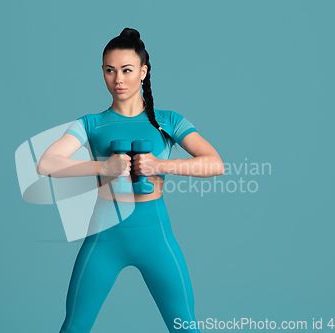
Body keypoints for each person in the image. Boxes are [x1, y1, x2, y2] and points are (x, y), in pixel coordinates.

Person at [37, 27, 224, 333]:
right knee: (75, 327)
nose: (118, 79)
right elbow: (46, 163)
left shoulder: (167, 121)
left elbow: (214, 164)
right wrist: (102, 168)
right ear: (102, 72)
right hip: (105, 236)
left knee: (185, 326)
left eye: (126, 70)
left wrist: (161, 164)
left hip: (155, 234)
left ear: (143, 71)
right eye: (110, 71)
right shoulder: (90, 123)